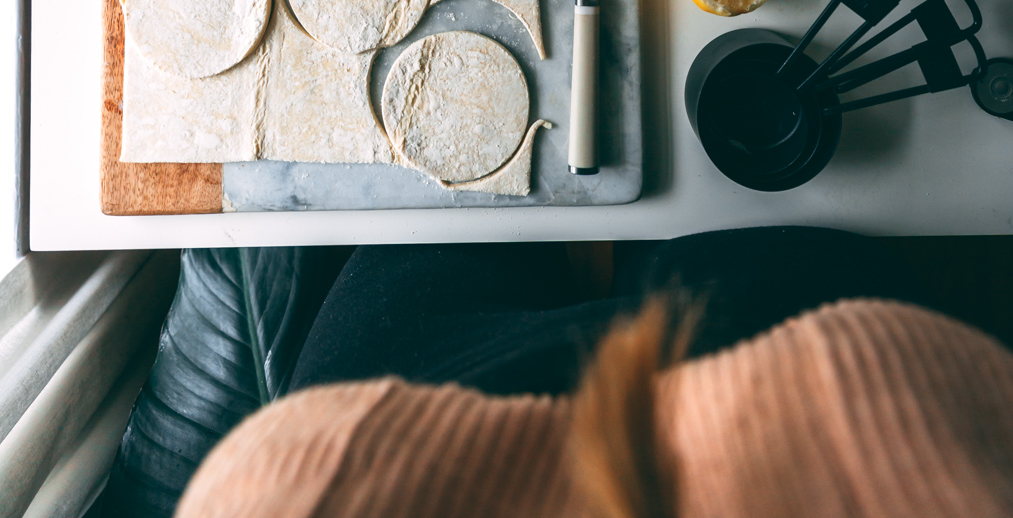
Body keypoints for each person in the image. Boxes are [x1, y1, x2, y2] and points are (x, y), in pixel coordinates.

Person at [174, 227, 1013, 517]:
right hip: (776, 365)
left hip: (401, 423)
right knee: (723, 202)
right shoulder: (861, 419)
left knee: (465, 175)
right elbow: (891, 378)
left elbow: (276, 475)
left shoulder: (312, 479)